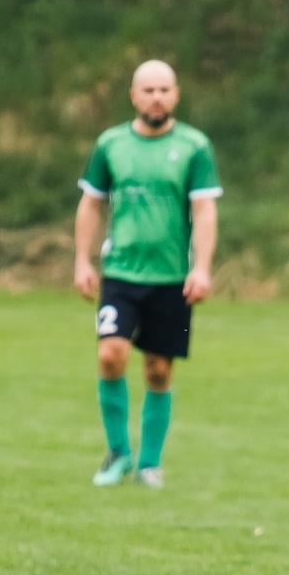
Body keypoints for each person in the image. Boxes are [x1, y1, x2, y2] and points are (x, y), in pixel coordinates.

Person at [74, 59, 221, 488]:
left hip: (172, 276)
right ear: (134, 96)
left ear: (175, 94)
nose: (157, 97)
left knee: (159, 369)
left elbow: (204, 209)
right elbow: (91, 203)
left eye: (164, 89)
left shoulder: (194, 146)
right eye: (148, 90)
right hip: (120, 272)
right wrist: (83, 260)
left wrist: (203, 267)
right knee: (110, 355)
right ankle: (118, 453)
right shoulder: (111, 144)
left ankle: (149, 463)